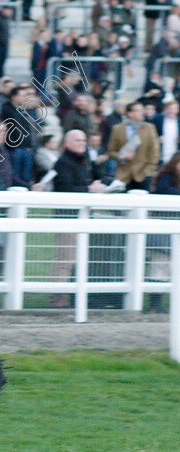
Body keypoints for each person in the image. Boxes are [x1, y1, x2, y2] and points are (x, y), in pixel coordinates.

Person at [47, 129, 107, 308]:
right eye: (78, 141)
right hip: (68, 216)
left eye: (84, 140)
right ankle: (57, 299)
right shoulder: (64, 162)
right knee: (65, 257)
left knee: (74, 257)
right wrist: (89, 189)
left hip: (82, 215)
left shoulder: (83, 160)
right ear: (68, 143)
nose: (82, 143)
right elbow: (65, 189)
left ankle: (68, 296)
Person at [147, 151, 180, 312]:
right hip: (162, 231)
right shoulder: (166, 177)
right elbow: (165, 191)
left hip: (173, 230)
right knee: (160, 266)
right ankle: (155, 303)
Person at [107, 102, 160, 191]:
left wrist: (149, 170)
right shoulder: (117, 129)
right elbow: (111, 151)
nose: (143, 112)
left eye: (143, 110)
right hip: (123, 175)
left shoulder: (150, 128)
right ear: (130, 113)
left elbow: (155, 151)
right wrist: (122, 156)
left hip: (143, 175)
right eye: (139, 110)